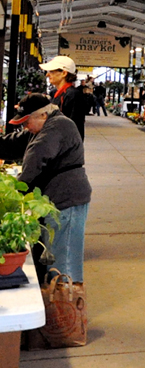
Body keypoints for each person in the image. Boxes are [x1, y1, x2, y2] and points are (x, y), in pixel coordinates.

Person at [1, 94, 91, 283]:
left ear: (43, 115)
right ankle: (58, 301)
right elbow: (14, 143)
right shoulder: (42, 127)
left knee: (63, 260)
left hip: (67, 199)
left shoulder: (58, 126)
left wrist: (17, 191)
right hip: (57, 197)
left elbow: (36, 158)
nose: (24, 126)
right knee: (55, 255)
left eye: (26, 121)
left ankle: (66, 306)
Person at [40, 56, 89, 140]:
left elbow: (74, 126)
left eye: (51, 71)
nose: (47, 74)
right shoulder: (56, 93)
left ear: (64, 73)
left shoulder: (73, 95)